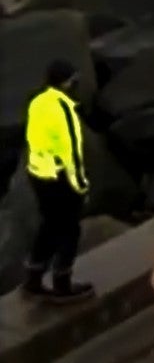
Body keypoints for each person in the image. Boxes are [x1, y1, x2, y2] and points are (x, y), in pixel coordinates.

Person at [22, 60, 94, 303]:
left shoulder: (38, 102)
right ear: (67, 82)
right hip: (59, 177)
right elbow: (71, 151)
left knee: (49, 225)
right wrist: (81, 186)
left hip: (37, 173)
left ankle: (33, 276)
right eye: (74, 80)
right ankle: (62, 283)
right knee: (70, 229)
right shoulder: (64, 108)